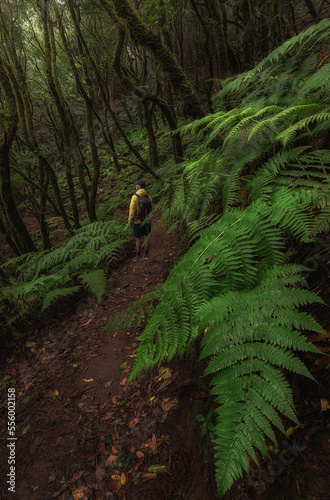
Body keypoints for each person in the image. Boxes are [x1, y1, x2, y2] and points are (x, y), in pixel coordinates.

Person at [128, 180, 152, 260]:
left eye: (136, 185)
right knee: (146, 236)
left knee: (138, 238)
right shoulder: (148, 197)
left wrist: (130, 220)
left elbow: (132, 211)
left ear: (139, 186)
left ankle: (138, 255)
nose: (136, 186)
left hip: (137, 221)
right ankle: (146, 255)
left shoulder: (135, 197)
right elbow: (151, 209)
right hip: (147, 220)